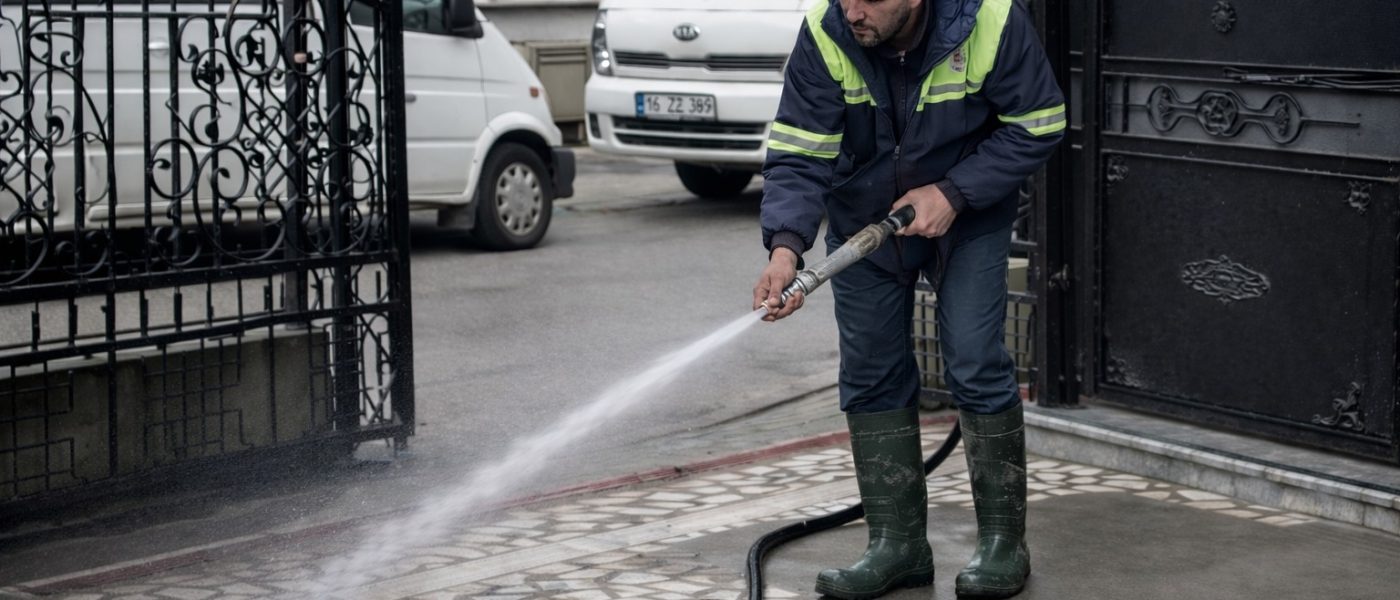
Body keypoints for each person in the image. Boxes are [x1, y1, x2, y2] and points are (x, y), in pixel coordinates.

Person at [752, 0, 1065, 597]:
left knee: (975, 360)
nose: (852, 10)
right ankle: (897, 545)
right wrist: (785, 249)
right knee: (871, 371)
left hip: (967, 216)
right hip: (864, 218)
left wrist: (953, 192)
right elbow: (799, 150)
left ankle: (1004, 544)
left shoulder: (990, 19)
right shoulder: (826, 30)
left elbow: (1040, 121)